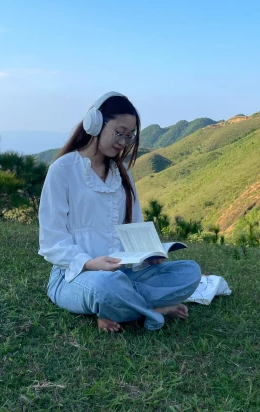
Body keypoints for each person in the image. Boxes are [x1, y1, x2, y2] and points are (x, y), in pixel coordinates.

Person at [38, 92, 201, 332]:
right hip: (75, 277)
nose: (124, 142)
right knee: (106, 287)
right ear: (95, 123)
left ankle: (116, 307)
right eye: (119, 132)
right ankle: (151, 311)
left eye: (129, 136)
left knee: (190, 272)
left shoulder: (121, 173)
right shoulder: (62, 170)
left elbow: (135, 227)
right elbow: (52, 241)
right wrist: (91, 264)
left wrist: (149, 255)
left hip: (125, 274)